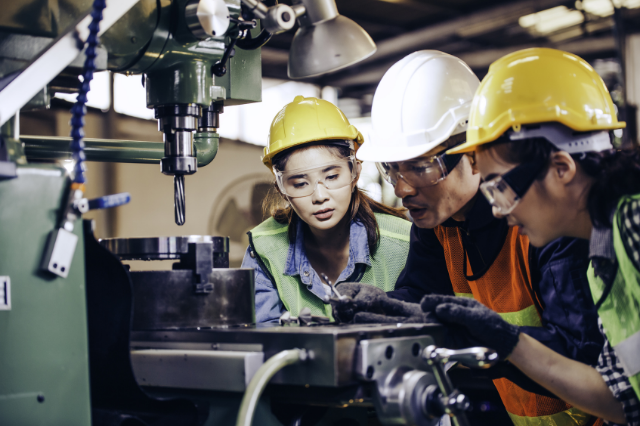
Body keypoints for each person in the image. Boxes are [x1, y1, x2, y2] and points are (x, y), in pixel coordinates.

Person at [346, 50, 605, 426]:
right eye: (392, 170)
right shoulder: (439, 225)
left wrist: (476, 337)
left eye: (420, 167)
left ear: (471, 154)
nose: (401, 189)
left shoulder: (550, 223)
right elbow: (421, 298)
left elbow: (582, 360)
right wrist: (379, 313)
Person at [432, 47, 639, 425]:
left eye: (500, 189)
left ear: (561, 167)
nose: (496, 209)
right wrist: (506, 339)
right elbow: (621, 399)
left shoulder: (633, 221)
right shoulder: (602, 259)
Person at [242, 96, 412, 323]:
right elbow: (261, 340)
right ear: (281, 188)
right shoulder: (264, 249)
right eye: (300, 184)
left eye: (332, 177)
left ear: (355, 173)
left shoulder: (406, 243)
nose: (320, 196)